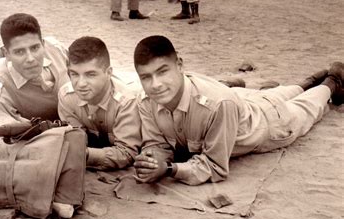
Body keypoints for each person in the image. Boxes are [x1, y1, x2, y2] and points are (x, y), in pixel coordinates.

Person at [132, 35, 343, 185]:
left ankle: (331, 81)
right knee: (277, 93)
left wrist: (169, 170)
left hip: (268, 124)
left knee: (305, 108)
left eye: (162, 72)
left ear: (179, 64)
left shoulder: (217, 104)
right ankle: (308, 81)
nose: (155, 84)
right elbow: (156, 144)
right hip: (247, 102)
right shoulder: (146, 101)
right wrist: (151, 160)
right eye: (146, 77)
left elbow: (215, 166)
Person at [58, 36, 141, 170]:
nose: (81, 84)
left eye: (90, 75)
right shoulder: (67, 97)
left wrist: (83, 155)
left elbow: (127, 153)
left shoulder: (126, 102)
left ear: (108, 73)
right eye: (74, 74)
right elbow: (76, 140)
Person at [0, 13, 70, 123]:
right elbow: (11, 136)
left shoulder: (56, 49)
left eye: (35, 48)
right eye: (20, 52)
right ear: (6, 54)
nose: (30, 58)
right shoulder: (2, 91)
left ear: (43, 44)